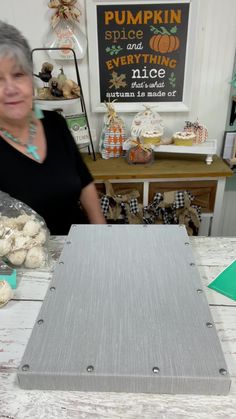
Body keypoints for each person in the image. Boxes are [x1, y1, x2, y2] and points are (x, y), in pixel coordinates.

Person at [0, 21, 106, 235]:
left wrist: (102, 236)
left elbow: (84, 183)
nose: (10, 88)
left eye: (18, 74)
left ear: (31, 79)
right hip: (23, 264)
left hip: (80, 245)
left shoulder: (54, 123)